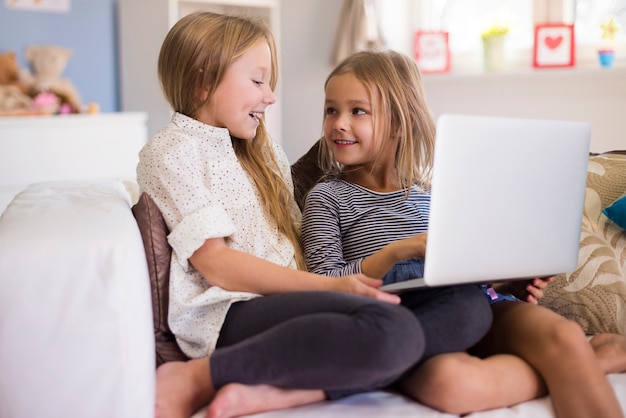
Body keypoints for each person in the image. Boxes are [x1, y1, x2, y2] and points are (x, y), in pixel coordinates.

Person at [137, 12, 494, 418]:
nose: (270, 96)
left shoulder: (263, 151)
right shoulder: (172, 151)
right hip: (231, 310)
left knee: (468, 306)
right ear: (203, 80)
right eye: (257, 81)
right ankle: (203, 376)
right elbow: (216, 264)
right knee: (393, 330)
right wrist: (332, 288)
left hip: (299, 299)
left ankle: (304, 390)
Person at [301, 49, 626, 418]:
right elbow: (323, 283)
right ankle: (595, 360)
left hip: (479, 306)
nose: (339, 123)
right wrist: (396, 252)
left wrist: (510, 285)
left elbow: (464, 270)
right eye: (331, 110)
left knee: (563, 336)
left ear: (397, 122)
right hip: (412, 324)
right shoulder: (328, 197)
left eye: (357, 110)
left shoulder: (433, 194)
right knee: (452, 384)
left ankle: (575, 358)